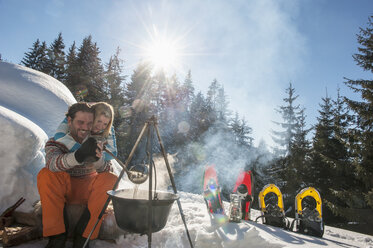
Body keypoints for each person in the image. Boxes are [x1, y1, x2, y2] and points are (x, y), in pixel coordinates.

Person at [37, 102, 118, 248]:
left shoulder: (98, 142)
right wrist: (77, 156)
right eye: (80, 122)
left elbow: (108, 168)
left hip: (88, 190)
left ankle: (84, 235)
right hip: (66, 189)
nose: (85, 127)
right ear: (69, 121)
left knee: (110, 178)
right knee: (46, 174)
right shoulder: (57, 141)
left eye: (90, 123)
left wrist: (97, 160)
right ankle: (57, 236)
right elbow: (51, 163)